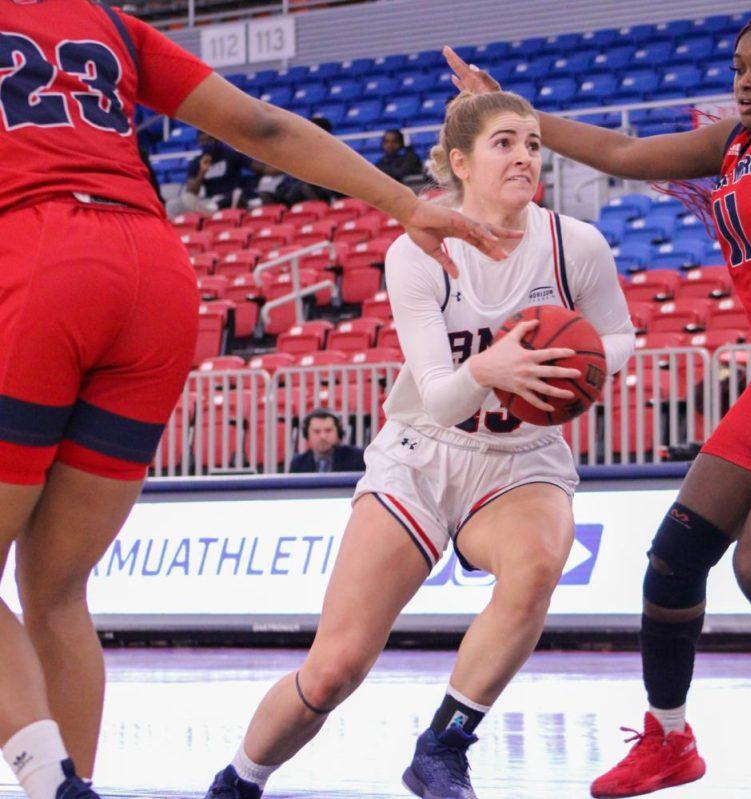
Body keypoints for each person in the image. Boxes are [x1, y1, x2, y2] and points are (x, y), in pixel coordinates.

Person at [0, 5, 518, 799]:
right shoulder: (108, 21)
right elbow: (265, 129)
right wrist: (406, 203)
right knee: (57, 589)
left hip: (37, 255)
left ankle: (53, 785)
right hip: (154, 273)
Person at [448, 3, 751, 797]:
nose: (745, 83)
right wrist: (516, 115)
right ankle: (670, 738)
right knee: (675, 555)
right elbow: (622, 150)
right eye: (739, 68)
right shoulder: (736, 141)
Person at [201, 89, 635, 799]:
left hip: (521, 459)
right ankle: (239, 780)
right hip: (422, 453)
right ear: (460, 162)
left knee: (537, 566)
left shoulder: (575, 244)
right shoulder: (418, 252)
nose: (525, 155)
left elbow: (618, 335)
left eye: (532, 142)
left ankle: (444, 744)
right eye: (505, 143)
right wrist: (488, 369)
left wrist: (580, 368)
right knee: (334, 668)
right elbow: (438, 393)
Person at [288, 410, 365, 473]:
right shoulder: (298, 464)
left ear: (338, 432)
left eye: (328, 431)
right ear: (307, 434)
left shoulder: (357, 458)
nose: (323, 437)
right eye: (317, 431)